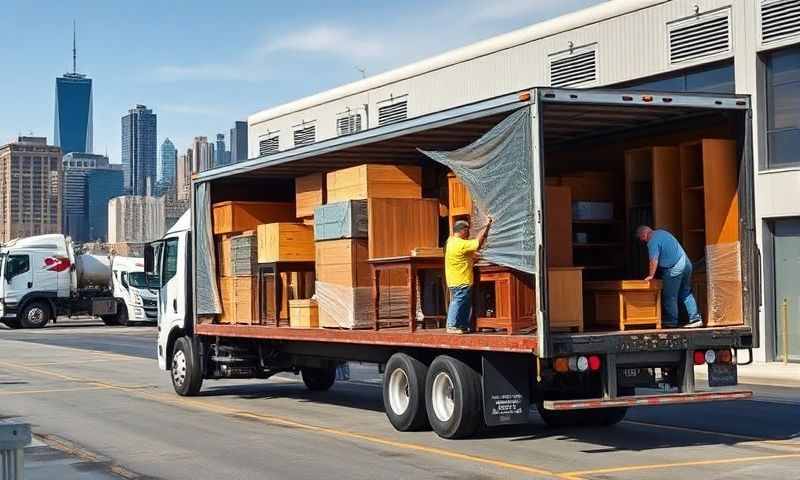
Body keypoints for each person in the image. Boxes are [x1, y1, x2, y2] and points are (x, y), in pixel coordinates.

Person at [636, 225, 703, 329]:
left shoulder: (652, 241)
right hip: (686, 263)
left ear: (644, 234)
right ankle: (695, 319)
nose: (644, 242)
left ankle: (671, 321)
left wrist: (650, 275)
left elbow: (654, 260)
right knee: (685, 292)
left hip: (675, 268)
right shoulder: (662, 233)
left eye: (642, 239)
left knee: (670, 296)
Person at [444, 218, 492, 334]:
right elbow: (477, 244)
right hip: (460, 280)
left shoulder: (450, 241)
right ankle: (451, 325)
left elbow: (468, 255)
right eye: (468, 230)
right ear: (463, 230)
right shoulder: (460, 243)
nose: (469, 233)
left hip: (455, 280)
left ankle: (462, 325)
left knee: (464, 303)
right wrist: (486, 227)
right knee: (458, 301)